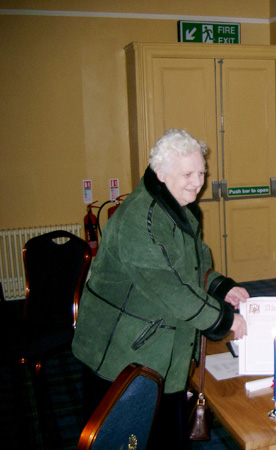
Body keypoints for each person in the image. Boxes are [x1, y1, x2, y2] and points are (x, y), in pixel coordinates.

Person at [72, 129, 248, 449]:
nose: (197, 182)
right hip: (122, 351)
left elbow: (193, 263)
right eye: (188, 174)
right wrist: (225, 319)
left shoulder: (177, 206)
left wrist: (221, 287)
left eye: (201, 173)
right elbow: (170, 288)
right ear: (161, 173)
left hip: (158, 342)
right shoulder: (140, 219)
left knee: (165, 431)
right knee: (127, 439)